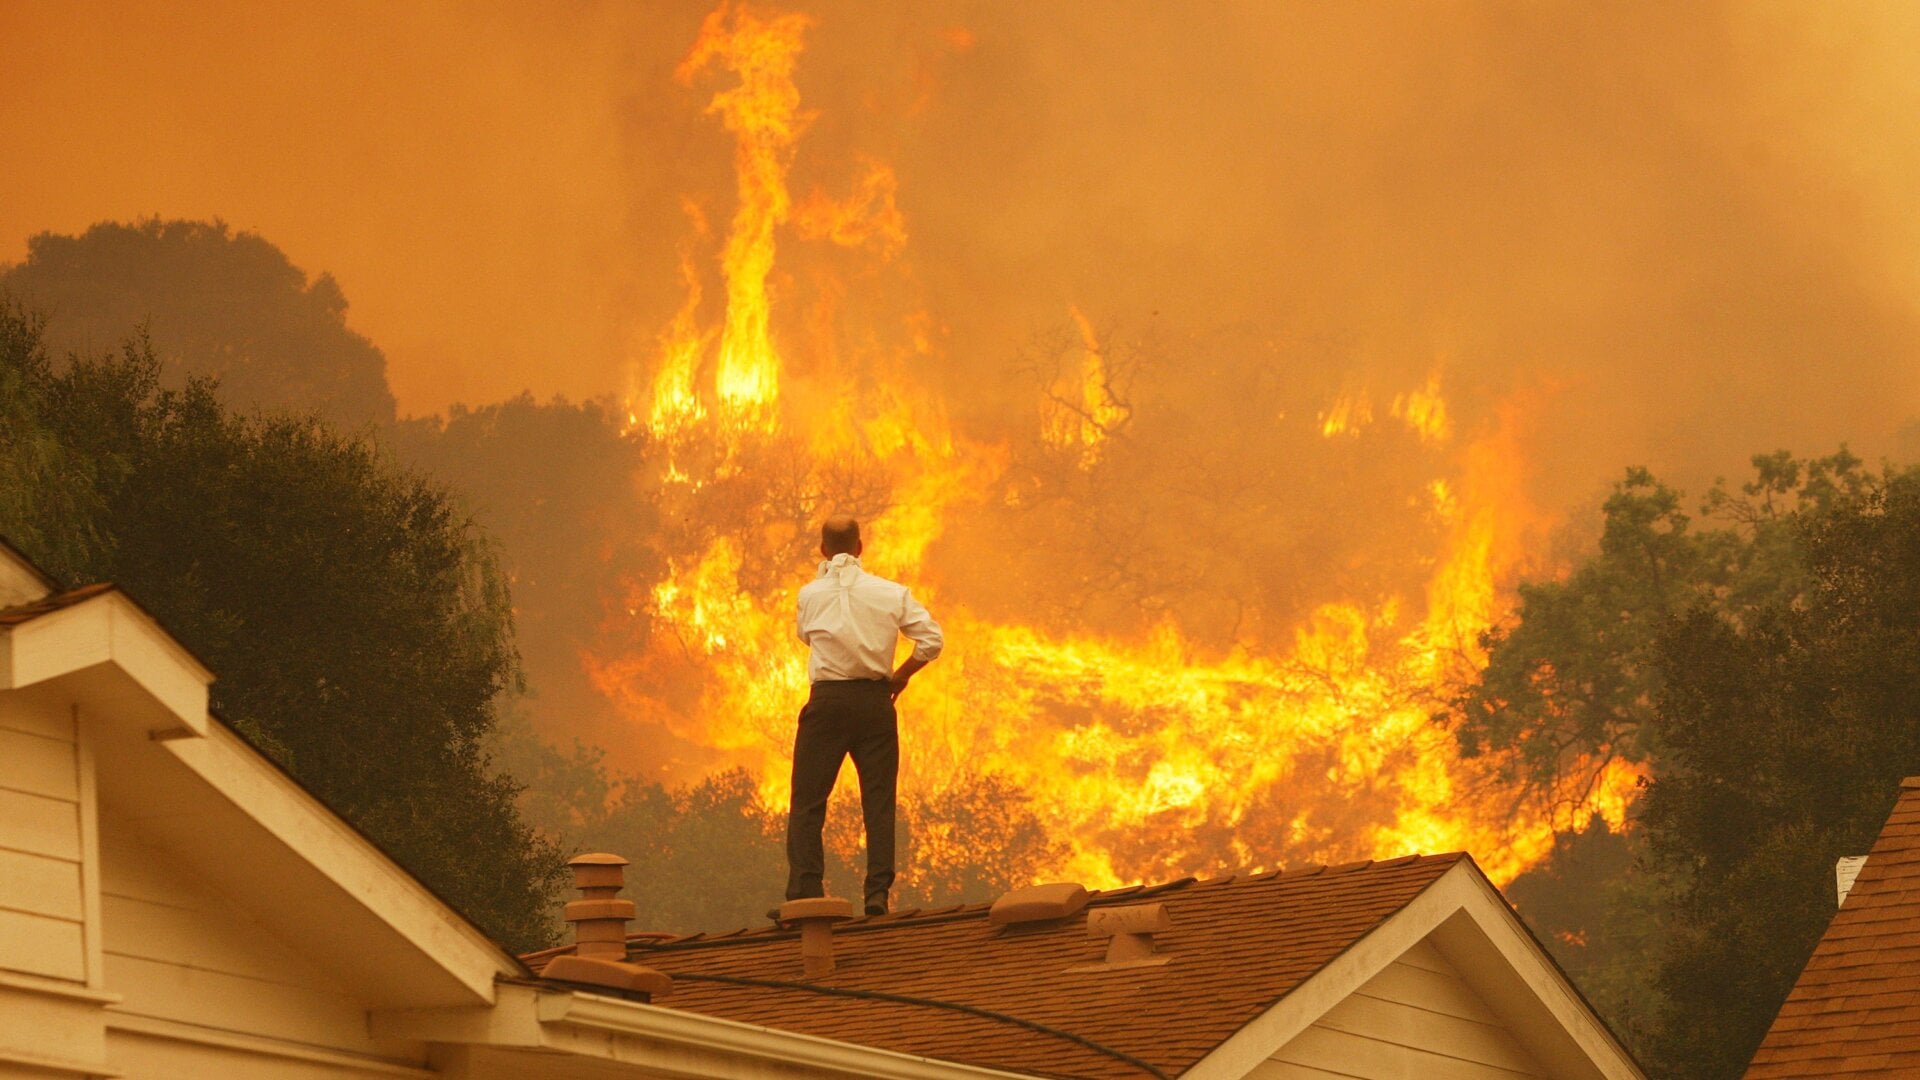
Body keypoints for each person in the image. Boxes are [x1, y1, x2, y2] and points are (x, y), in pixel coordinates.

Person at [785, 514, 942, 915]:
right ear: (860, 547)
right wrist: (901, 676)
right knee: (878, 802)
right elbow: (931, 641)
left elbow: (806, 636)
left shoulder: (809, 595)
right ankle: (877, 895)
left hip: (828, 703)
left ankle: (805, 894)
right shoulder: (892, 593)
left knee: (808, 802)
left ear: (822, 549)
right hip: (875, 703)